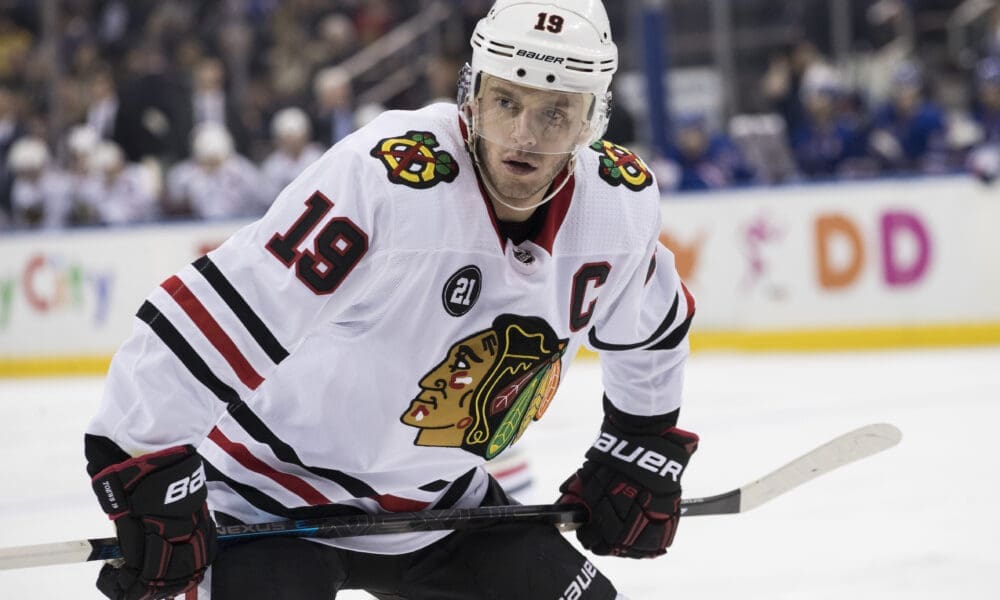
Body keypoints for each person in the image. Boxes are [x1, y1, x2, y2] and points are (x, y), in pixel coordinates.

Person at [84, 2, 699, 599]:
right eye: (506, 100)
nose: (523, 136)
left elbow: (654, 326)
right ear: (473, 92)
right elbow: (222, 310)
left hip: (441, 506)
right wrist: (144, 464)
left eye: (555, 113)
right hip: (263, 495)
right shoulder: (387, 179)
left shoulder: (616, 206)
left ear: (591, 122)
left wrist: (638, 438)